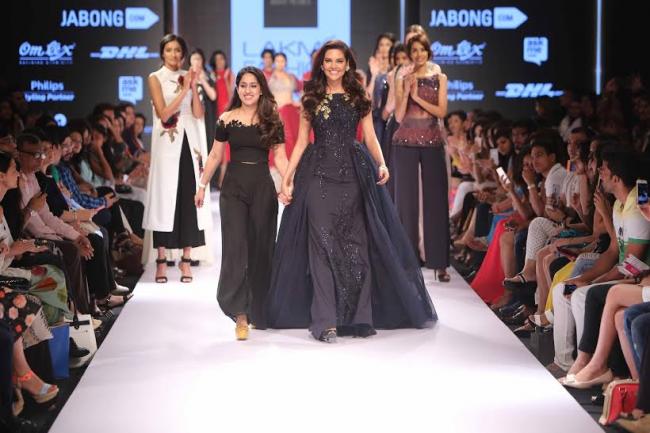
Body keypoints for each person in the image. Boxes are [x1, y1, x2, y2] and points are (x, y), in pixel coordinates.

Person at [267, 40, 437, 343]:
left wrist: (382, 163)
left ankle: (358, 317)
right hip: (318, 174)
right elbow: (303, 141)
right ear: (322, 65)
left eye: (339, 61)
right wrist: (287, 177)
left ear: (347, 64)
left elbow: (370, 135)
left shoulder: (359, 95)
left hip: (353, 174)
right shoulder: (311, 96)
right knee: (321, 245)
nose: (334, 66)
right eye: (329, 61)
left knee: (356, 246)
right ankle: (325, 322)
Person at [195, 67, 288, 340]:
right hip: (233, 189)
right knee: (236, 250)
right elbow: (215, 155)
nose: (248, 90)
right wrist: (202, 185)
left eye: (253, 85)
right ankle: (241, 315)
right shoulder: (226, 119)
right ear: (237, 89)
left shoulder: (272, 119)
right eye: (243, 85)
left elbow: (280, 157)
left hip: (262, 189)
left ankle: (258, 309)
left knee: (261, 250)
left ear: (261, 89)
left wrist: (289, 183)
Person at [144, 34, 209, 283]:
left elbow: (198, 113)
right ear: (162, 53)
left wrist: (193, 86)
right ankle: (161, 260)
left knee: (189, 197)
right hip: (166, 144)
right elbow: (163, 113)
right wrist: (184, 90)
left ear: (183, 54)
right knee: (164, 198)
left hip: (189, 144)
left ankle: (186, 259)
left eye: (178, 50)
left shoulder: (189, 76)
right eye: (169, 50)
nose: (174, 54)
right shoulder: (155, 77)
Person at [391, 33, 450, 280]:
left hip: (432, 141)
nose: (418, 55)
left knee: (436, 202)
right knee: (406, 203)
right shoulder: (402, 76)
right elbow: (398, 116)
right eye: (414, 51)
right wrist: (406, 91)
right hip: (405, 142)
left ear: (428, 52)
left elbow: (442, 111)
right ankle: (409, 261)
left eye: (422, 50)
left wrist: (417, 97)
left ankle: (439, 263)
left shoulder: (440, 77)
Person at [268, 52, 301, 160]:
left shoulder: (291, 76)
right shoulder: (269, 77)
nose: (280, 63)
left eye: (282, 61)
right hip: (277, 112)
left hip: (291, 110)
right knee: (280, 138)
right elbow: (264, 95)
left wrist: (299, 102)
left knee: (292, 137)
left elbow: (302, 90)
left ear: (286, 62)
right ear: (274, 62)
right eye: (277, 61)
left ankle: (292, 164)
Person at [209, 50, 235, 188]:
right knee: (216, 148)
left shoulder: (229, 74)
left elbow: (232, 96)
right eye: (217, 59)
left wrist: (225, 79)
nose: (220, 61)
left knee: (226, 149)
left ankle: (221, 182)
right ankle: (216, 181)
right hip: (214, 115)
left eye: (222, 58)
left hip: (227, 115)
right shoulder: (211, 75)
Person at [190, 49, 217, 156]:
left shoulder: (208, 76)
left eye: (199, 59)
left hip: (207, 116)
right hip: (191, 117)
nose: (196, 62)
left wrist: (202, 79)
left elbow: (213, 96)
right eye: (194, 59)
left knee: (207, 144)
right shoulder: (186, 77)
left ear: (203, 61)